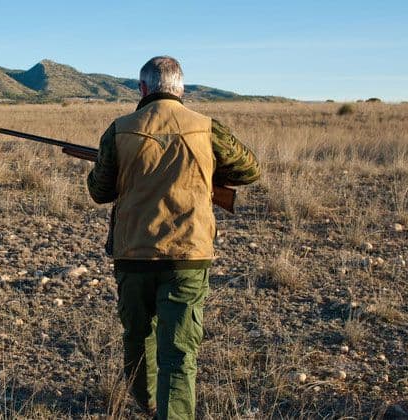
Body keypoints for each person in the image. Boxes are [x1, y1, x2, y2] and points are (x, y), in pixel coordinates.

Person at [86, 56, 260, 419]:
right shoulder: (207, 128)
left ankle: (146, 400)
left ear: (143, 89)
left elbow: (99, 192)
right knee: (180, 352)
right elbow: (249, 169)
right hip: (188, 255)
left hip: (133, 252)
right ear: (181, 89)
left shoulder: (120, 129)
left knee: (137, 336)